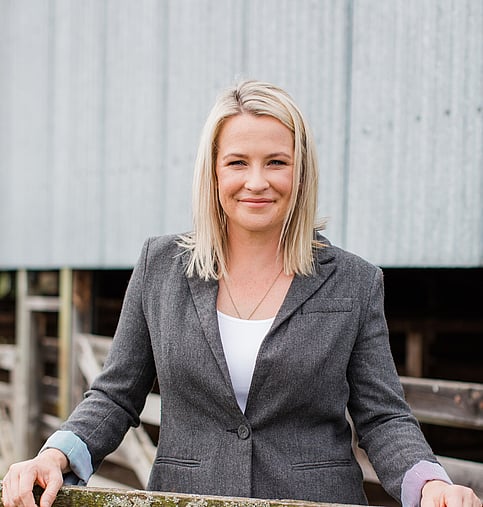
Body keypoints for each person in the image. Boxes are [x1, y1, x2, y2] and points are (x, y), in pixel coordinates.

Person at [2, 80, 481, 507]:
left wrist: (429, 483)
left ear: (300, 172)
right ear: (213, 172)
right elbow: (115, 396)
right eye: (237, 162)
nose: (257, 181)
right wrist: (55, 454)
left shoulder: (355, 281)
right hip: (186, 499)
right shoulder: (159, 267)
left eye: (276, 162)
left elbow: (384, 417)